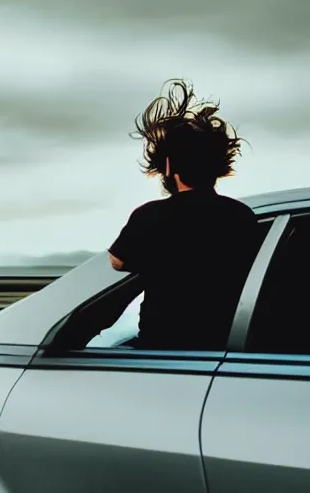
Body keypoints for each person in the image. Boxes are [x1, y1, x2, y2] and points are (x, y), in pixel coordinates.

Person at [107, 79, 259, 350]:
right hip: (226, 348)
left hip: (163, 353)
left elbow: (117, 261)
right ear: (216, 167)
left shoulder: (150, 216)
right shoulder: (242, 216)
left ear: (168, 166)